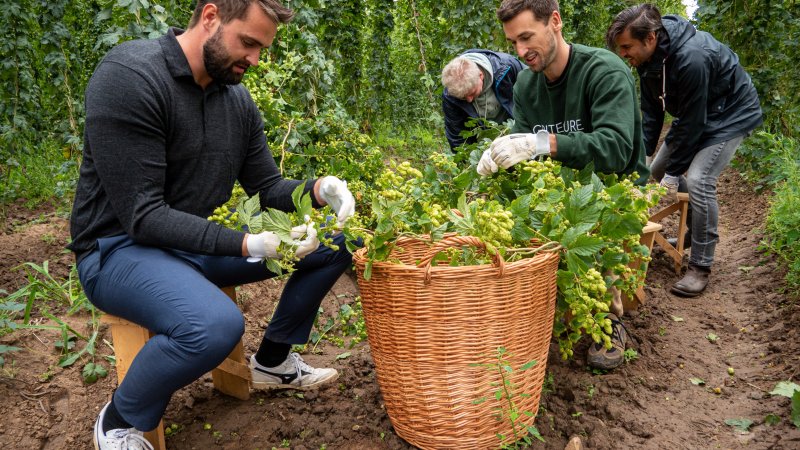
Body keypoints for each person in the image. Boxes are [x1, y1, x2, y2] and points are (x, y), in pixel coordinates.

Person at [68, 1, 357, 448]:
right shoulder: (131, 77)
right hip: (118, 250)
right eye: (248, 43)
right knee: (214, 326)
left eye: (262, 49)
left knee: (340, 242)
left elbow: (267, 186)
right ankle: (119, 420)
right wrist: (248, 243)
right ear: (210, 17)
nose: (255, 60)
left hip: (190, 245)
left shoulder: (235, 99)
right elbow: (143, 216)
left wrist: (320, 188)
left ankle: (273, 362)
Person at [477, 0, 650, 370]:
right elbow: (522, 140)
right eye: (513, 44)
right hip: (560, 181)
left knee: (597, 220)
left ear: (554, 21)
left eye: (527, 37)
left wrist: (544, 144)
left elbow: (617, 150)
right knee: (511, 223)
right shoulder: (526, 83)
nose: (522, 52)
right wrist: (498, 158)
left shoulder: (604, 71)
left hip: (616, 183)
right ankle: (532, 314)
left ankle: (609, 322)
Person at [606, 4, 762, 297]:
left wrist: (675, 172)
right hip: (697, 112)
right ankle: (696, 229)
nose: (623, 53)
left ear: (650, 38)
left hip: (730, 114)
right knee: (652, 171)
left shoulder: (692, 58)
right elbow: (651, 114)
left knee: (701, 179)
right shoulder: (648, 61)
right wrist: (642, 160)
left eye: (627, 46)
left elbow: (693, 123)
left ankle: (700, 266)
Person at [441, 49, 525, 150]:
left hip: (519, 133)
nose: (468, 100)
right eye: (463, 97)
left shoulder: (506, 67)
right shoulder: (451, 93)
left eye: (471, 93)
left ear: (481, 75)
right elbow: (457, 137)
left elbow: (537, 89)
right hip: (484, 145)